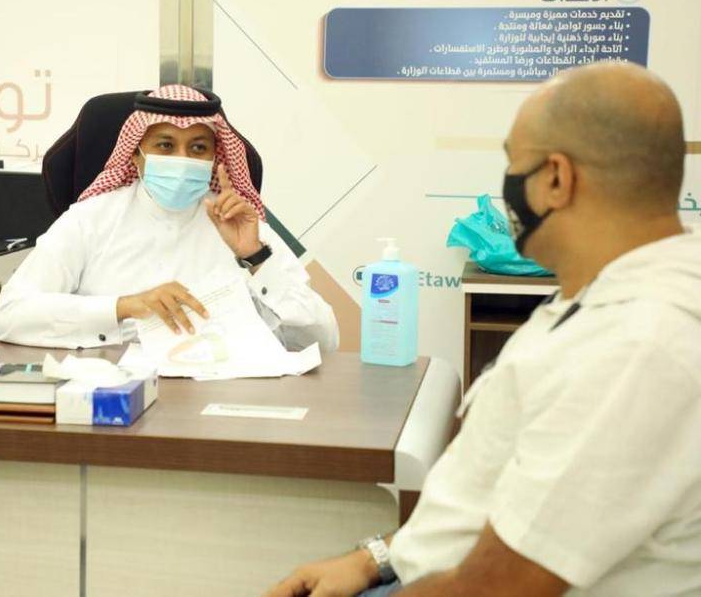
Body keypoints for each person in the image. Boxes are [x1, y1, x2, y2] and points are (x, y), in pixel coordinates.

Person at [265, 61, 701, 596]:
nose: (507, 186)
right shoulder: (601, 298)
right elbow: (495, 504)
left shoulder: (635, 347)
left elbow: (498, 586)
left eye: (515, 164)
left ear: (557, 179)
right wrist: (373, 560)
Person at [0, 85, 339, 352]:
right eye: (165, 145)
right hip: (116, 392)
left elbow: (323, 341)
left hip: (223, 393)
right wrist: (124, 307)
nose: (182, 159)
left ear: (215, 158)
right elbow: (10, 315)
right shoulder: (91, 219)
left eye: (198, 148)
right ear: (136, 155)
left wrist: (256, 258)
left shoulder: (240, 224)